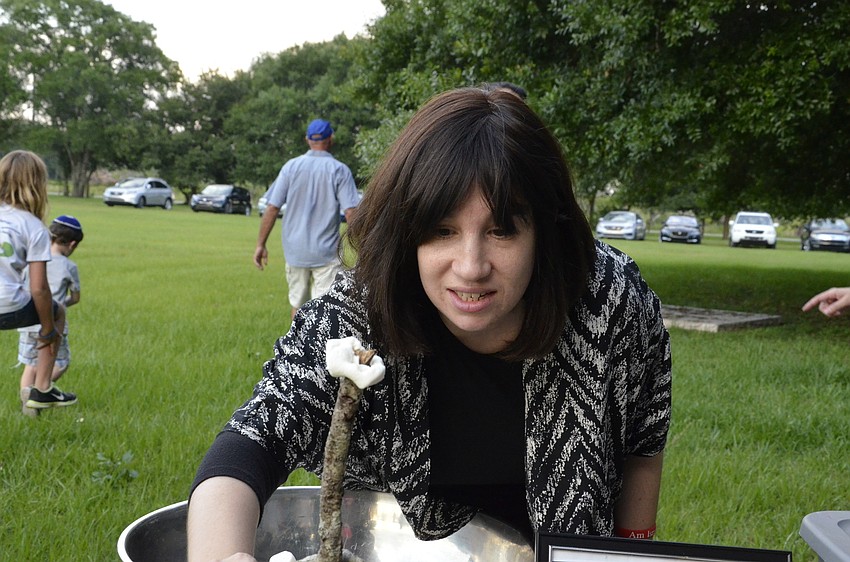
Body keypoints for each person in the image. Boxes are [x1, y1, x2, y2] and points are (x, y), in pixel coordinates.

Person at [188, 88, 672, 562]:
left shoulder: (609, 301)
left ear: (544, 230)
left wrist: (631, 553)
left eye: (501, 230)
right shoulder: (359, 313)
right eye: (443, 231)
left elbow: (643, 445)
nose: (470, 266)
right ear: (406, 232)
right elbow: (251, 442)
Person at [254, 119, 361, 321]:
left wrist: (261, 244)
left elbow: (272, 207)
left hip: (295, 252)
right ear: (331, 139)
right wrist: (363, 248)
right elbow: (351, 213)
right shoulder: (339, 170)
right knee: (326, 311)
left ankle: (297, 351)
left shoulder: (290, 167)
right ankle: (323, 352)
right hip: (326, 253)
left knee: (298, 307)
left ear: (307, 140)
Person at [0, 150, 74, 411]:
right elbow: (40, 288)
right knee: (58, 312)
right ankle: (43, 388)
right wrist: (47, 328)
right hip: (9, 308)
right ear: (37, 184)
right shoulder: (34, 227)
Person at [18, 215, 83, 417]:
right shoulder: (69, 266)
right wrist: (62, 305)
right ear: (72, 244)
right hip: (53, 323)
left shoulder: (34, 260)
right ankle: (40, 391)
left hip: (28, 321)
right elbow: (76, 297)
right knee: (61, 362)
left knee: (30, 363)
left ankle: (27, 401)